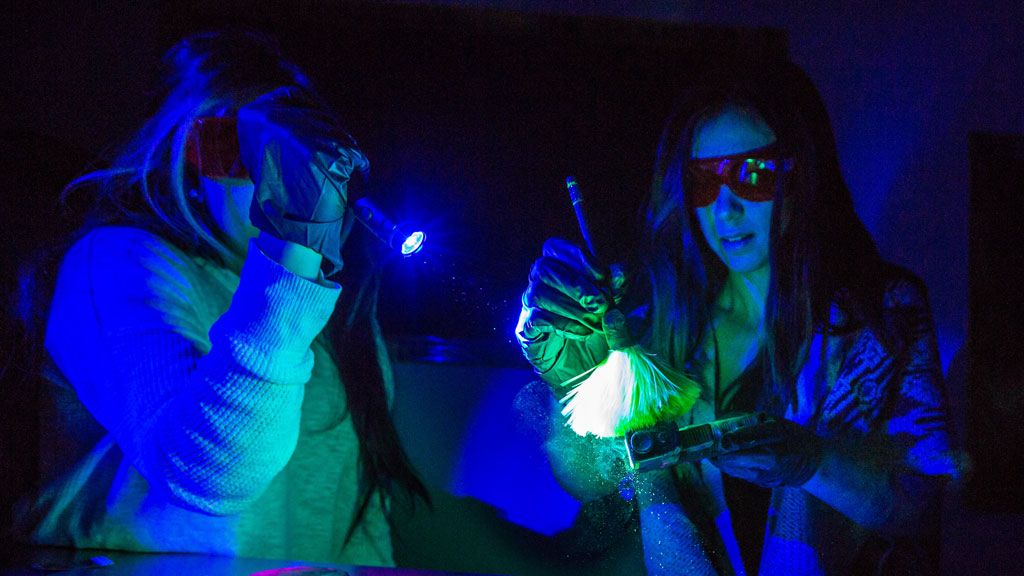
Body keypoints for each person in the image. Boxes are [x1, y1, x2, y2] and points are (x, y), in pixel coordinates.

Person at [516, 59, 959, 575]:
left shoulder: (880, 314)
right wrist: (569, 383)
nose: (724, 210)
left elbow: (923, 503)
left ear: (802, 174)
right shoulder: (662, 322)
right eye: (703, 181)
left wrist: (811, 462)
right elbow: (596, 481)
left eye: (752, 175)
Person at [10, 29, 427, 566]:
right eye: (249, 150)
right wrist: (297, 241)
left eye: (296, 153)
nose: (276, 177)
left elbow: (357, 524)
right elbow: (206, 477)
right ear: (189, 154)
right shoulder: (116, 264)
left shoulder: (330, 309)